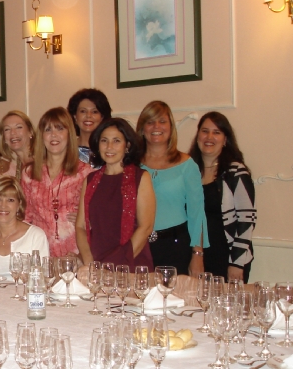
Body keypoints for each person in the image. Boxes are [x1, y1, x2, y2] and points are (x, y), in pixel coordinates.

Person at [136, 100, 208, 275]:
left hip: (175, 246)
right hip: (138, 245)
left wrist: (197, 254)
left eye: (162, 121)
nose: (156, 126)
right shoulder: (131, 165)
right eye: (150, 121)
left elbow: (197, 213)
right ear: (142, 129)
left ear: (171, 127)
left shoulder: (187, 165)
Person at [76, 118, 155, 270]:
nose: (109, 147)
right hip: (96, 264)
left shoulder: (141, 178)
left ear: (127, 146)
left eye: (116, 141)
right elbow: (80, 227)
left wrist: (114, 265)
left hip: (131, 266)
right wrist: (89, 262)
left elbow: (146, 227)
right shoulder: (90, 180)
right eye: (104, 140)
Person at [189, 112, 256, 282]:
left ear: (225, 139)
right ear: (198, 136)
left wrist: (236, 263)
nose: (209, 137)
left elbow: (246, 220)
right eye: (205, 131)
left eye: (216, 132)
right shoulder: (189, 172)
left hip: (228, 257)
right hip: (197, 256)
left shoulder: (235, 172)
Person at [22, 107, 92, 257]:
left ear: (69, 133)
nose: (54, 135)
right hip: (40, 252)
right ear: (41, 136)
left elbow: (98, 217)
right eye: (48, 130)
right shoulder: (29, 173)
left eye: (60, 128)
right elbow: (25, 217)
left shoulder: (85, 172)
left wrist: (86, 219)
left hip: (76, 253)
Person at [0, 177, 49, 275]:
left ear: (19, 205)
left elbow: (43, 278)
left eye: (10, 200)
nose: (3, 205)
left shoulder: (36, 236)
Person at [67, 88, 112, 166]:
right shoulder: (66, 149)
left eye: (94, 112)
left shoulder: (109, 150)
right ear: (75, 116)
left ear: (102, 117)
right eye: (83, 111)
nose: (88, 115)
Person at [1, 110, 35, 179]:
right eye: (7, 129)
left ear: (30, 132)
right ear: (4, 138)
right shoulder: (19, 165)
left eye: (19, 127)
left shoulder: (41, 162)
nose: (13, 132)